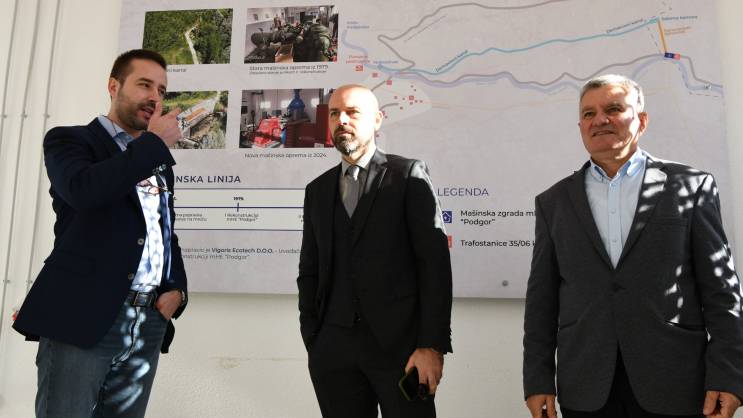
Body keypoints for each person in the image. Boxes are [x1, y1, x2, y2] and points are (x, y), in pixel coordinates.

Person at [523, 74, 743, 418]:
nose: (600, 120)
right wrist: (538, 380)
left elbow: (722, 292)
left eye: (613, 109)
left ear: (641, 120)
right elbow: (542, 303)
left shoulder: (691, 187)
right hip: (586, 385)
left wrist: (729, 376)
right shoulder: (553, 202)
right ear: (580, 126)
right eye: (589, 113)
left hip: (676, 381)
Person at [13, 49, 188, 418]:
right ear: (113, 86)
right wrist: (153, 145)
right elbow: (84, 191)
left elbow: (162, 229)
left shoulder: (156, 162)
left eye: (161, 90)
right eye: (144, 85)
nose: (154, 97)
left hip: (147, 321)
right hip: (84, 313)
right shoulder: (69, 141)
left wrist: (177, 288)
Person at [297, 84, 452, 417]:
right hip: (333, 352)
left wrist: (431, 345)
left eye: (352, 112)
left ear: (377, 120)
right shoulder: (317, 190)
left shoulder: (407, 176)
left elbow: (435, 266)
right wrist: (314, 337)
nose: (342, 120)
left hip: (403, 351)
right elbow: (309, 270)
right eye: (334, 113)